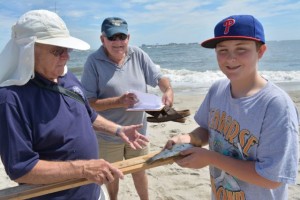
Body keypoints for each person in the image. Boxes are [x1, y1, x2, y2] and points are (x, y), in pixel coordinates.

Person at [0, 10, 149, 200]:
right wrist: (84, 168)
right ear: (28, 51)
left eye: (67, 49)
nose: (66, 57)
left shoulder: (66, 76)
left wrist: (118, 130)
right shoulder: (10, 99)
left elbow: (87, 114)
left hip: (93, 192)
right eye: (58, 50)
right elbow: (22, 169)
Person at [165, 15, 299, 200]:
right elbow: (206, 128)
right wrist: (190, 138)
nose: (230, 58)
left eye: (241, 49)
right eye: (222, 50)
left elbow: (273, 178)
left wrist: (209, 158)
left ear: (261, 51)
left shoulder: (276, 105)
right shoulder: (217, 89)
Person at [81, 17, 173, 200]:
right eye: (112, 37)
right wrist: (118, 101)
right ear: (102, 39)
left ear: (128, 38)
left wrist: (168, 89)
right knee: (111, 174)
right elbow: (88, 103)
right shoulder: (93, 62)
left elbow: (158, 77)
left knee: (140, 170)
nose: (118, 42)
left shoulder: (138, 54)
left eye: (121, 37)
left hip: (138, 132)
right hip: (108, 134)